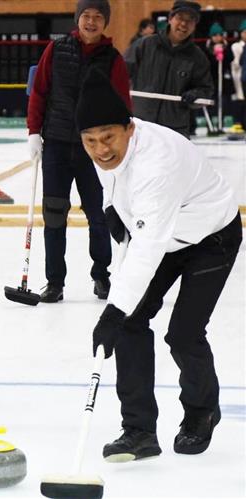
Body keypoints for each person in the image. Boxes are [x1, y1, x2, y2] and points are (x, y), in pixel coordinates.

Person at [76, 67, 241, 461]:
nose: (101, 149)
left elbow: (146, 246)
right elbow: (113, 185)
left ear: (129, 128)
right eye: (91, 141)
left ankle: (201, 413)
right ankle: (138, 430)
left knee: (183, 333)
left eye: (108, 138)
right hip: (162, 233)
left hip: (210, 236)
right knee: (132, 324)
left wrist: (113, 309)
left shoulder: (157, 164)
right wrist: (112, 208)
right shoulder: (105, 149)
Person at [27, 0, 131, 303]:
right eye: (86, 16)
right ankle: (54, 282)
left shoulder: (113, 59)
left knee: (98, 215)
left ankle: (102, 276)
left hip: (95, 151)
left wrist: (119, 147)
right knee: (55, 214)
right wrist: (34, 132)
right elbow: (40, 93)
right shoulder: (56, 50)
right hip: (57, 146)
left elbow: (123, 106)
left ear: (105, 23)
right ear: (78, 19)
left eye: (98, 17)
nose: (91, 22)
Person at [125, 1, 214, 138]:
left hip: (175, 130)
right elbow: (120, 72)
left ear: (195, 25)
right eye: (180, 18)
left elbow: (206, 90)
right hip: (140, 126)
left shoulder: (198, 58)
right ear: (170, 18)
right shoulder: (145, 45)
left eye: (190, 20)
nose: (184, 24)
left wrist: (195, 95)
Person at [205, 23, 235, 125]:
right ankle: (212, 123)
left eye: (220, 35)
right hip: (211, 79)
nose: (218, 38)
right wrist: (214, 55)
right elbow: (206, 63)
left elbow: (230, 59)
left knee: (224, 100)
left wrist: (223, 53)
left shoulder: (227, 46)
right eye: (215, 35)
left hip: (224, 78)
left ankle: (223, 122)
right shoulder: (207, 47)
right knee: (212, 101)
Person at [230, 20, 246, 126]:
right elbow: (236, 63)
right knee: (240, 99)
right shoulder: (236, 46)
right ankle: (239, 122)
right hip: (240, 76)